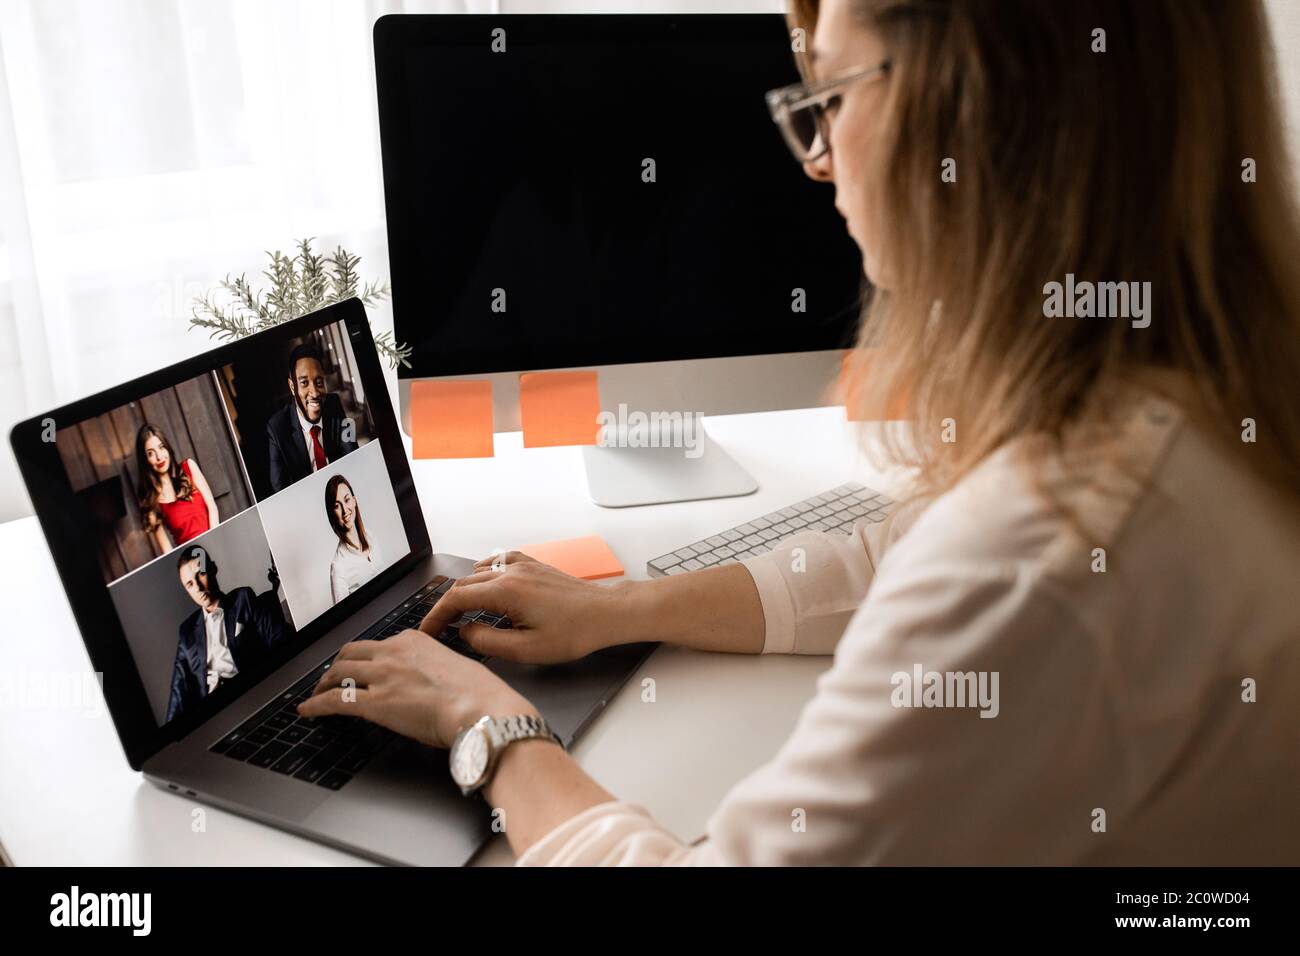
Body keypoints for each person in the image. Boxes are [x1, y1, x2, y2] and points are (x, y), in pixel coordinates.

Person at [300, 0, 1300, 865]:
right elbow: (893, 547)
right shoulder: (1195, 409)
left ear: (981, 107)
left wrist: (493, 726)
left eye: (832, 96)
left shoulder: (1044, 553)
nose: (816, 161)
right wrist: (625, 606)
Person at [165, 546, 289, 722]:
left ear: (213, 569)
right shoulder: (187, 631)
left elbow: (279, 642)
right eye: (190, 584)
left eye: (201, 574)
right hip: (213, 716)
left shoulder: (243, 598)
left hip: (252, 699)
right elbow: (178, 692)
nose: (198, 588)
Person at [266, 342, 359, 493]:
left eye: (319, 382)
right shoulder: (277, 427)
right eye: (304, 383)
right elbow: (280, 488)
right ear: (292, 387)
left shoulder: (333, 404)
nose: (315, 393)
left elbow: (353, 455)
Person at [135, 423, 219, 552]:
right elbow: (167, 550)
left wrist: (215, 546)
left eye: (161, 447)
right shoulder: (153, 504)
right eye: (151, 453)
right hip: (193, 562)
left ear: (167, 448)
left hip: (217, 541)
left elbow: (212, 508)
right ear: (145, 460)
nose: (159, 456)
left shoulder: (189, 467)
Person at [326, 474, 383, 603]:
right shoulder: (338, 567)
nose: (345, 510)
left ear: (354, 500)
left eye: (346, 500)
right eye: (337, 506)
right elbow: (344, 619)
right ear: (332, 514)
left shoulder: (371, 537)